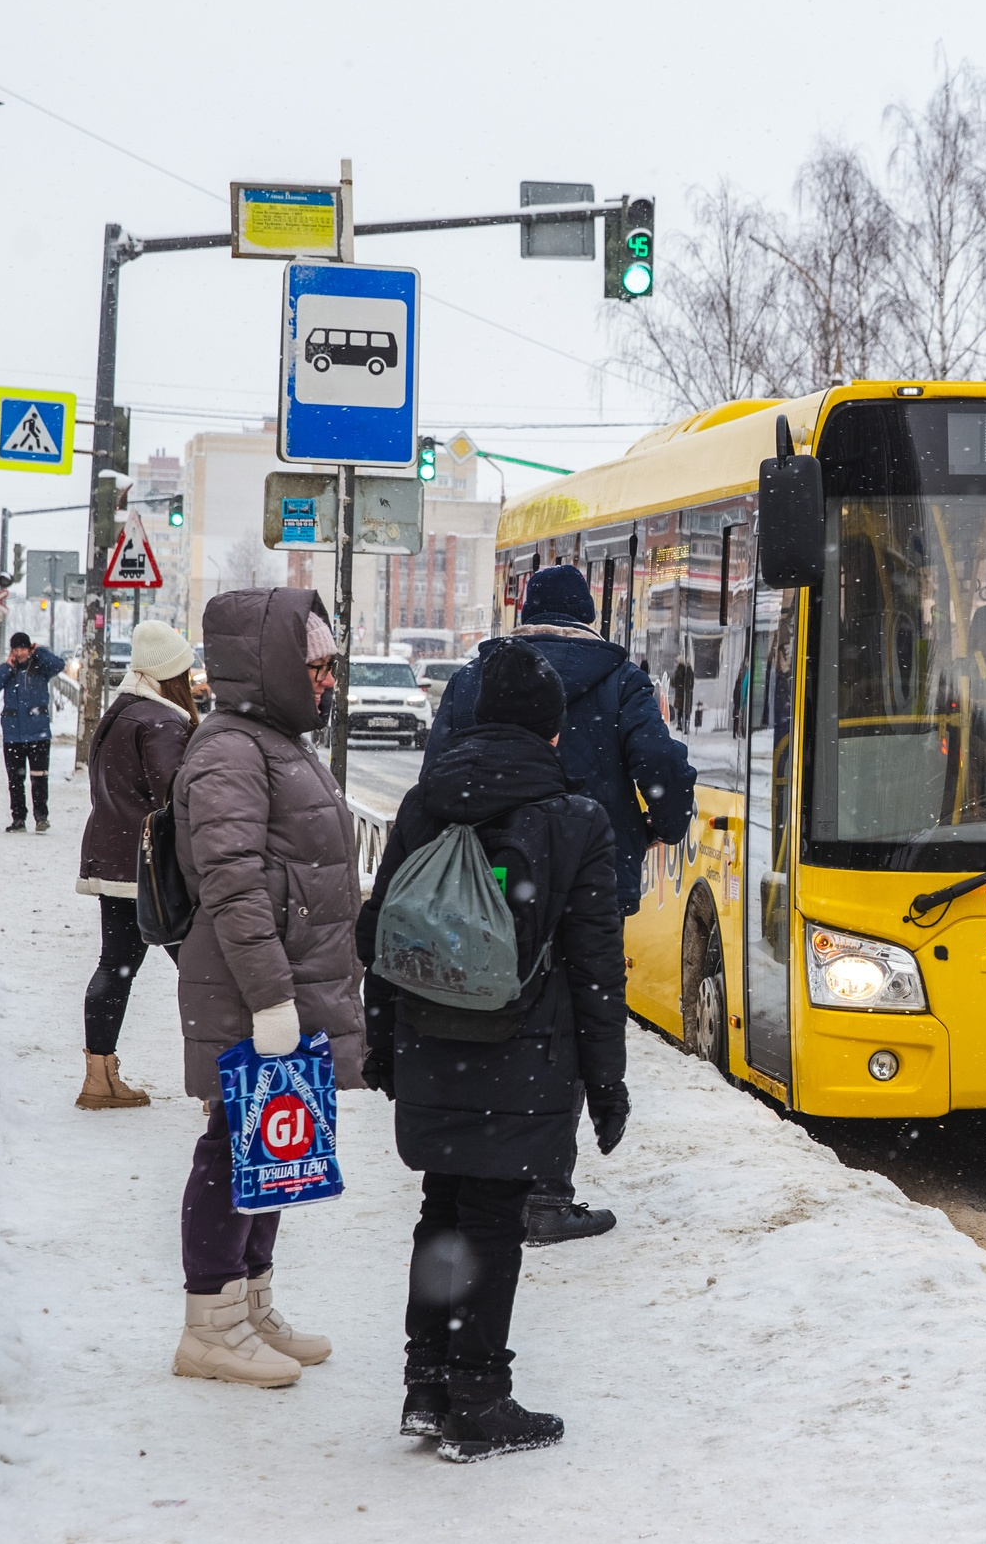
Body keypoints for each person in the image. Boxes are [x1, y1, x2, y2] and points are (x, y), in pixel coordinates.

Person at [358, 648, 627, 1461]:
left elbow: (383, 933)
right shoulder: (575, 820)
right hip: (525, 1047)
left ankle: (426, 1385)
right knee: (493, 1218)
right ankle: (479, 1397)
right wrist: (607, 1086)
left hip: (431, 1036)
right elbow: (595, 968)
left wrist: (382, 1044)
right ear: (553, 729)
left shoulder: (424, 802)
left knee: (443, 1207)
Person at [426, 564, 693, 1246]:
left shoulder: (474, 678)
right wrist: (661, 825)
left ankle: (477, 1169)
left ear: (525, 610)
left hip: (482, 883)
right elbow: (659, 768)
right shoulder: (622, 679)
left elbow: (435, 776)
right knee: (568, 1021)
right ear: (588, 614)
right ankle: (544, 1188)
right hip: (587, 876)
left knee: (481, 1008)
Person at [168, 589, 364, 1389]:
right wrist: (273, 996)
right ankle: (208, 1322)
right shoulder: (229, 750)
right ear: (273, 663)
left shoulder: (272, 740)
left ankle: (250, 1302)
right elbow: (233, 882)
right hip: (251, 991)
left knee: (269, 1145)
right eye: (314, 665)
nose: (326, 681)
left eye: (327, 666)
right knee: (232, 1144)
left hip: (280, 987)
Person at [72, 621, 198, 1110]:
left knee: (115, 965)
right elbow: (178, 799)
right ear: (172, 674)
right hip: (156, 869)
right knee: (204, 972)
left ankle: (99, 1078)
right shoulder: (163, 722)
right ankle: (221, 1086)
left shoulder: (120, 713)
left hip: (117, 857)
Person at [0, 632, 67, 833]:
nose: (20, 653)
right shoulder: (9, 671)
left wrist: (38, 652)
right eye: (16, 649)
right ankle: (18, 819)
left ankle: (41, 817)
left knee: (39, 777)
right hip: (13, 735)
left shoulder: (40, 667)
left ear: (29, 648)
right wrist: (7, 667)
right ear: (12, 651)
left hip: (38, 733)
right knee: (15, 780)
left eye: (23, 648)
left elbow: (59, 665)